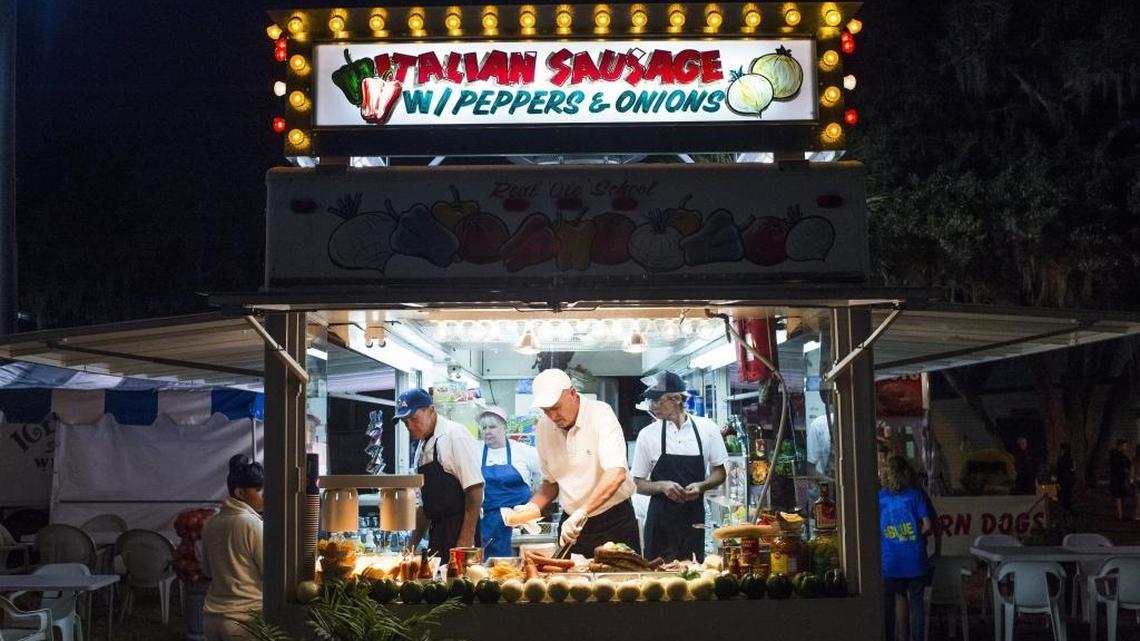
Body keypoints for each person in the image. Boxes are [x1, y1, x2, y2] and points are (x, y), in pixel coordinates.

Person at [510, 369, 639, 555]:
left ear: (572, 393)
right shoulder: (544, 428)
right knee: (570, 581)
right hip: (572, 526)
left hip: (613, 520)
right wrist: (531, 508)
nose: (553, 416)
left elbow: (616, 473)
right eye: (546, 410)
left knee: (619, 581)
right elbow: (551, 482)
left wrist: (582, 511)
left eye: (556, 407)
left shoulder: (600, 414)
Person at [631, 371, 728, 561]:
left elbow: (720, 472)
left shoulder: (707, 429)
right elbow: (636, 483)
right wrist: (662, 486)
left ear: (676, 399)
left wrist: (701, 486)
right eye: (650, 401)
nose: (651, 406)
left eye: (657, 400)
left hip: (694, 521)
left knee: (693, 578)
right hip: (659, 524)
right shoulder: (647, 434)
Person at [396, 388, 484, 552]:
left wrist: (465, 539)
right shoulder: (422, 445)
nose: (409, 426)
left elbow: (475, 490)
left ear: (431, 410)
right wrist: (411, 546)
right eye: (405, 422)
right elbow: (425, 505)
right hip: (437, 532)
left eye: (414, 419)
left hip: (460, 529)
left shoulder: (455, 435)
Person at [201, 454, 264, 641]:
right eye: (259, 490)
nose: (264, 495)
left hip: (212, 619)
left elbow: (206, 570)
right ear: (240, 493)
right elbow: (269, 571)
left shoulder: (210, 523)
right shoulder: (251, 523)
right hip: (245, 620)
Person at [477, 406, 542, 558]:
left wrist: (536, 495)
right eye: (484, 427)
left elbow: (548, 473)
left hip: (521, 520)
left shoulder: (523, 451)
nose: (487, 431)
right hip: (489, 522)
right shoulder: (475, 451)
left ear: (504, 428)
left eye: (492, 427)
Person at [879, 455, 932, 641]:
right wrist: (914, 537)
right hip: (915, 561)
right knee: (917, 606)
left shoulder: (880, 498)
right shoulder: (915, 495)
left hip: (890, 563)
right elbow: (928, 525)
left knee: (888, 608)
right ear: (905, 473)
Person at [1108, 439, 1133, 521]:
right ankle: (1120, 515)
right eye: (1124, 445)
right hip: (1116, 477)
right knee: (1118, 496)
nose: (1125, 447)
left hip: (1121, 478)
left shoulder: (1123, 455)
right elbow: (1117, 466)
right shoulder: (1115, 455)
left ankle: (1121, 514)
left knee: (1122, 495)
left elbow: (1129, 464)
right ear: (1120, 445)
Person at [1055, 442, 1076, 513]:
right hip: (1067, 480)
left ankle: (1064, 509)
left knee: (1064, 496)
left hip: (1064, 481)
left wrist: (1058, 481)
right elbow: (1072, 470)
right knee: (1067, 496)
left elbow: (1059, 471)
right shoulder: (1069, 459)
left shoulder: (1062, 460)